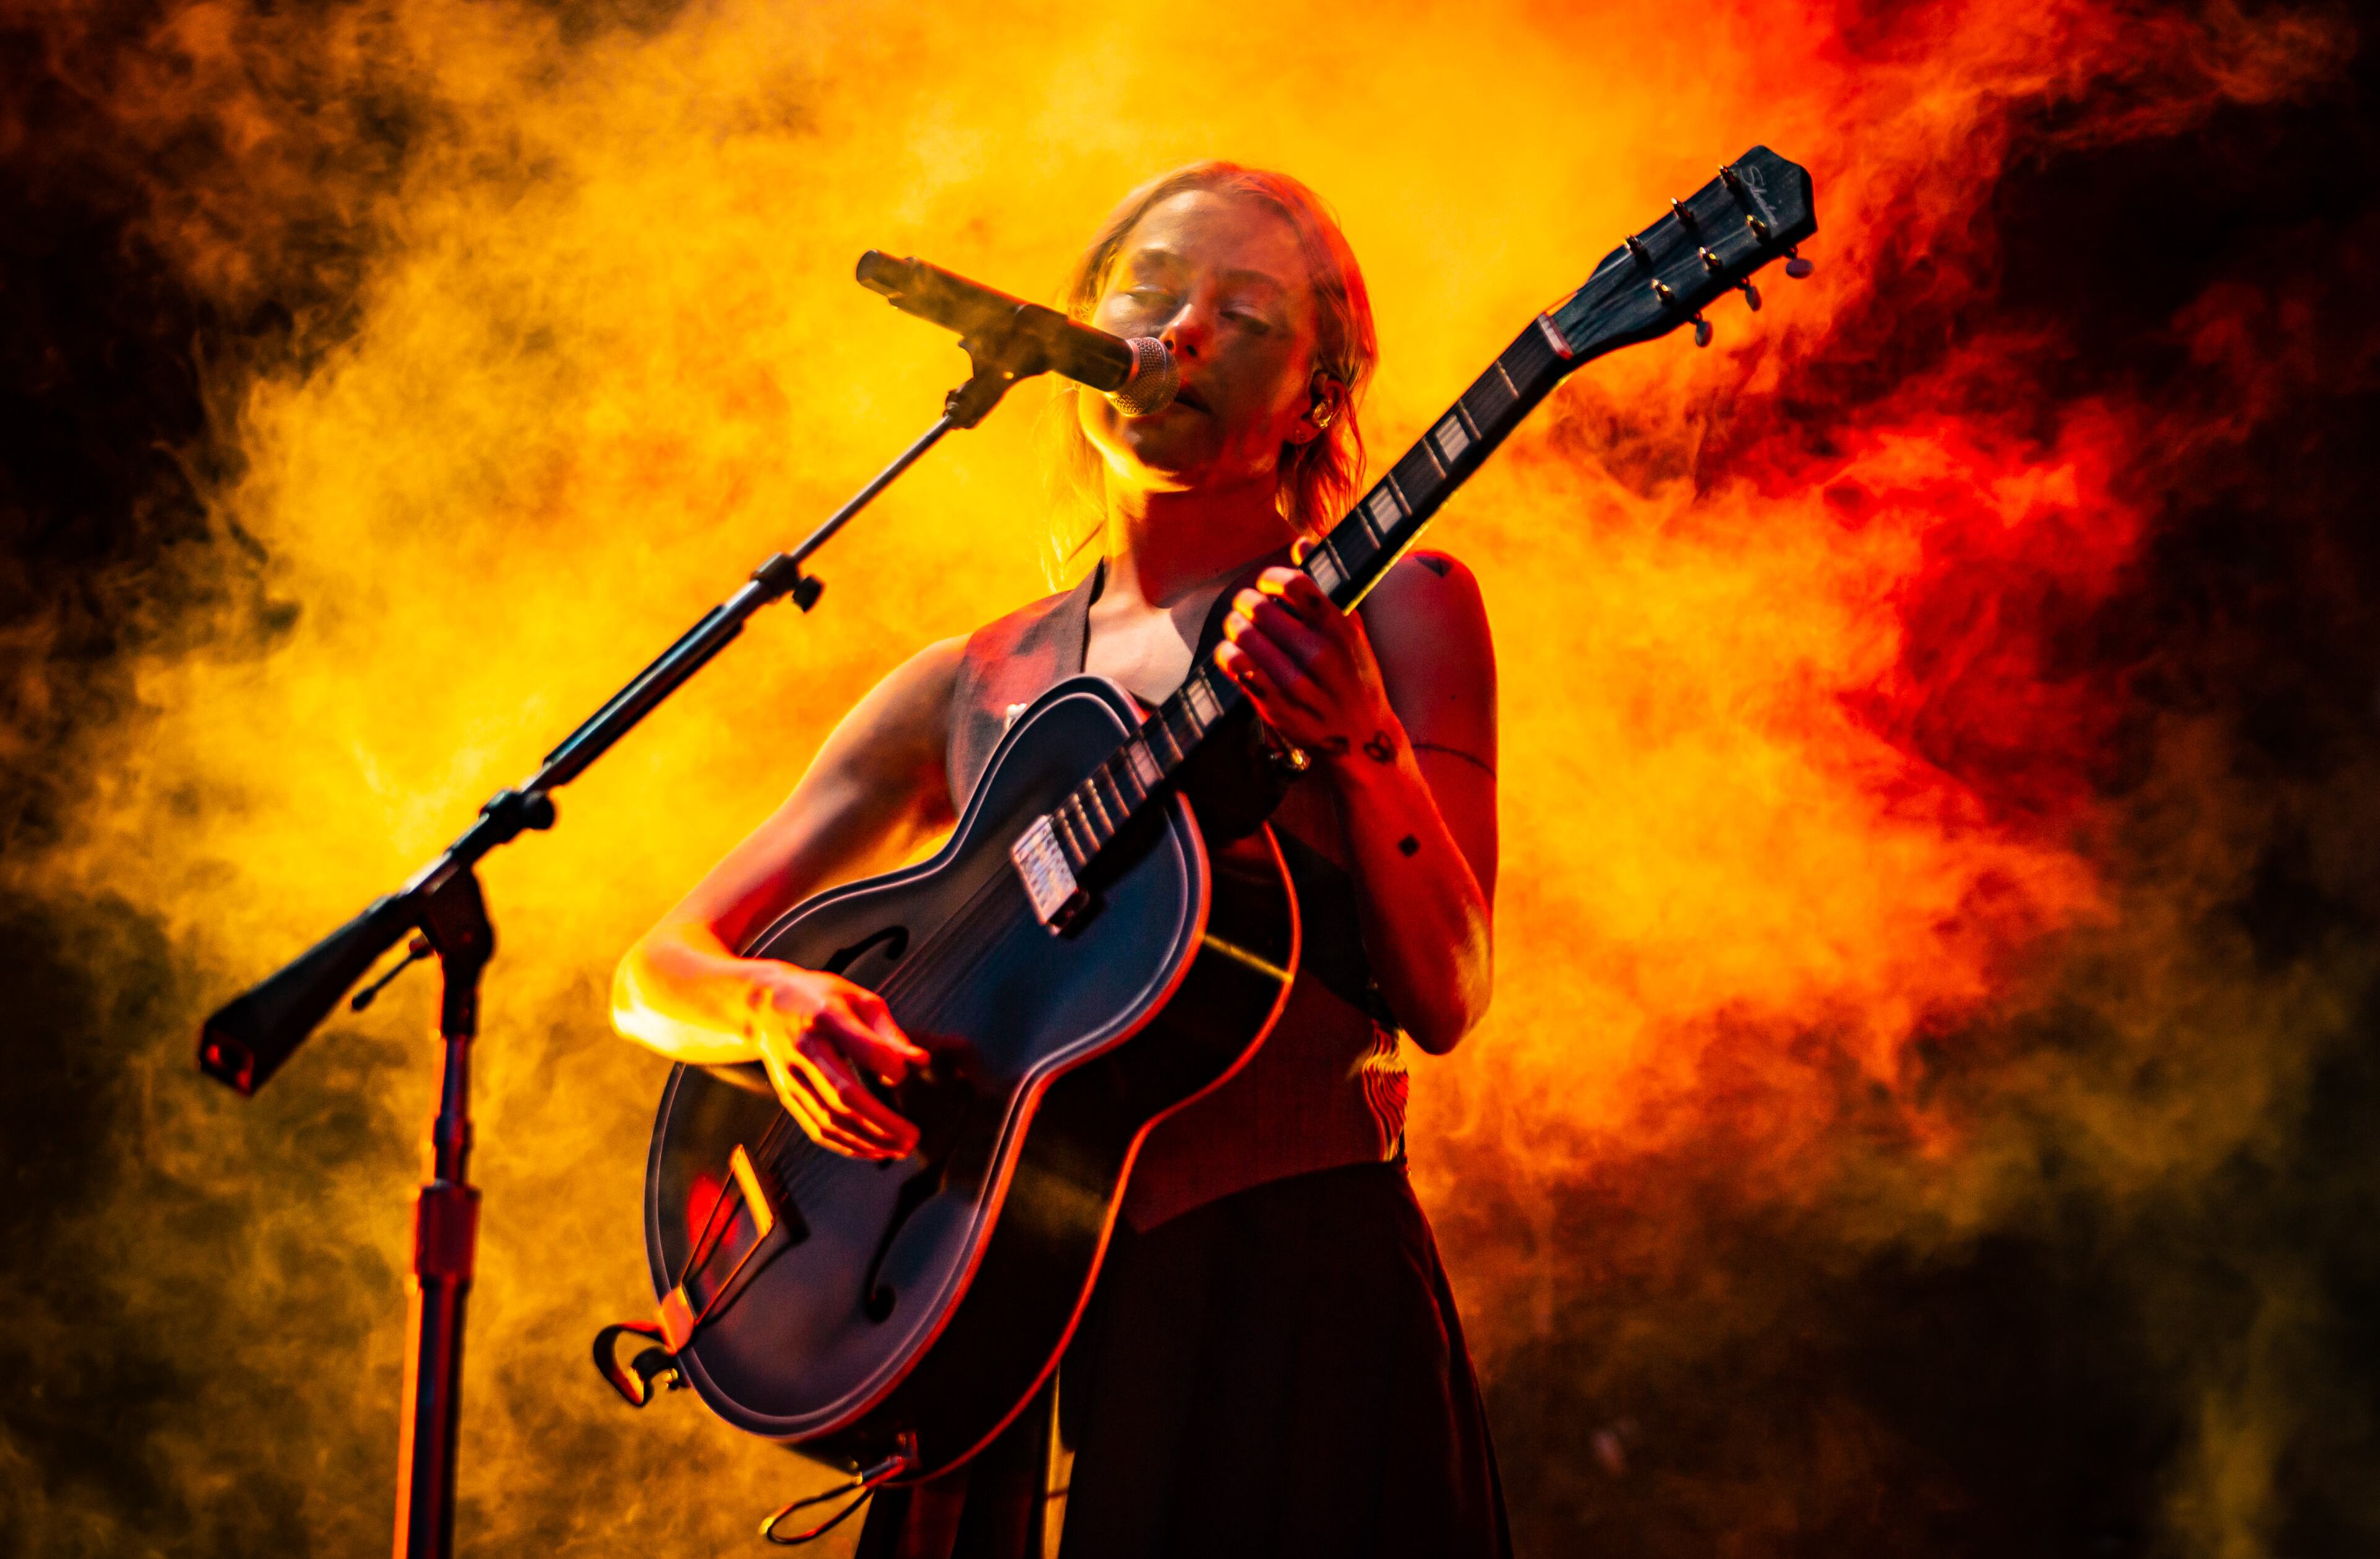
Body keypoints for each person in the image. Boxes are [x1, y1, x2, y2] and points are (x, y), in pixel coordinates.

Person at [612, 162, 1509, 1559]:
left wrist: (1367, 741)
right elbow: (655, 970)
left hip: (1280, 1300)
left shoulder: (1401, 610)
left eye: (1246, 312)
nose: (1182, 331)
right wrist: (776, 1009)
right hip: (978, 1311)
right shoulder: (970, 677)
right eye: (1147, 296)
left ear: (1319, 395)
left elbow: (1448, 996)